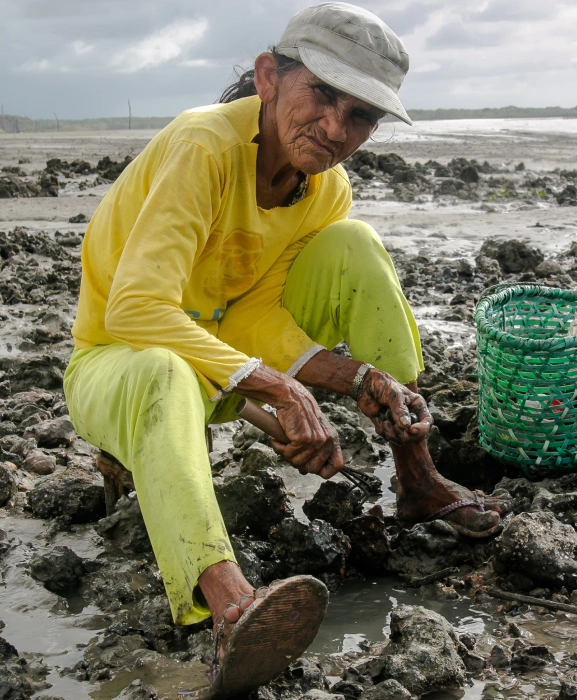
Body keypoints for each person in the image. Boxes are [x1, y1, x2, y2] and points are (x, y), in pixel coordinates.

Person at [64, 2, 504, 694]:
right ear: (269, 77)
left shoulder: (323, 191)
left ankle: (416, 473)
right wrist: (276, 388)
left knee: (354, 243)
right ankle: (229, 603)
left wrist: (351, 376)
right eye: (321, 95)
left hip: (215, 352)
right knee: (159, 372)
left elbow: (257, 311)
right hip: (118, 361)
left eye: (360, 115)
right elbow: (136, 309)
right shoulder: (203, 147)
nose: (334, 128)